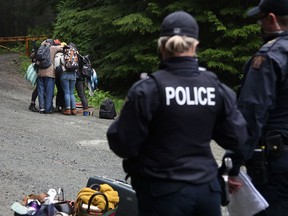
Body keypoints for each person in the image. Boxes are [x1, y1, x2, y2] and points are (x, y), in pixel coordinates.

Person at [106, 11, 247, 216]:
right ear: (195, 45)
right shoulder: (215, 87)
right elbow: (238, 137)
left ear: (162, 45)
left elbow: (122, 142)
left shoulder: (148, 89)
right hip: (206, 191)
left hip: (162, 192)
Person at [226, 0, 288, 215]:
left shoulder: (270, 58)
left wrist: (233, 164)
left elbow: (252, 113)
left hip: (277, 166)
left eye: (261, 19)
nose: (260, 25)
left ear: (271, 19)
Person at [37, 39, 63, 114]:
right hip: (50, 73)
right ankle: (48, 109)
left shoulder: (41, 48)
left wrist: (43, 43)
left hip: (40, 72)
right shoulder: (52, 48)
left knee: (41, 91)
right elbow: (62, 48)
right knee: (49, 91)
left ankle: (41, 108)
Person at [60, 42, 78, 115]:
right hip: (73, 75)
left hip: (65, 74)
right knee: (72, 92)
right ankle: (73, 109)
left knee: (66, 92)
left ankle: (68, 109)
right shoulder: (75, 54)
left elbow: (60, 64)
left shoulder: (63, 55)